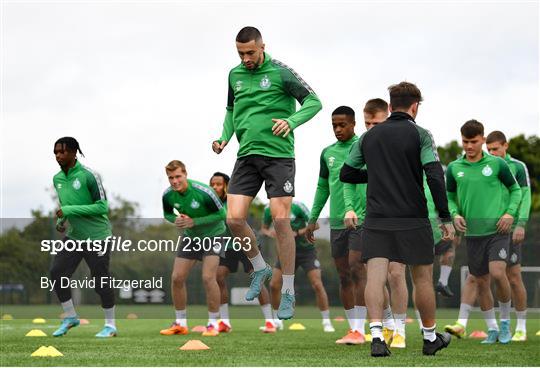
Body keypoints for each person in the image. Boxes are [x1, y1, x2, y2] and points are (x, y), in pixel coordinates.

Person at [212, 26, 322, 320]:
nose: (245, 58)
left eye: (250, 52)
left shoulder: (281, 72)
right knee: (234, 219)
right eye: (240, 53)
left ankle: (287, 290)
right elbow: (230, 111)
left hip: (278, 157)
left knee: (280, 219)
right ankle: (259, 266)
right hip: (246, 155)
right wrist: (224, 137)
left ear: (262, 46)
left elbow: (314, 102)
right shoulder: (234, 75)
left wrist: (292, 120)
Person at [340, 82, 454, 357]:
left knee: (375, 278)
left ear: (390, 106)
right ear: (415, 106)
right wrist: (445, 217)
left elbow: (347, 173)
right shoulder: (421, 135)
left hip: (378, 219)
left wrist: (376, 174)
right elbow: (435, 176)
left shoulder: (368, 137)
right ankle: (429, 338)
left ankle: (377, 337)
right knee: (423, 279)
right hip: (413, 218)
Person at [445, 130, 531, 342]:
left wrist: (514, 217)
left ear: (481, 140)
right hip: (473, 234)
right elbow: (449, 197)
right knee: (481, 281)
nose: (469, 146)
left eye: (474, 141)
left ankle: (509, 324)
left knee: (502, 273)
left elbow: (519, 192)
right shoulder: (455, 168)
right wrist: (454, 216)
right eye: (465, 141)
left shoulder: (501, 165)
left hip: (500, 230)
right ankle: (492, 328)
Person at [51, 137, 117, 338]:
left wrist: (68, 209)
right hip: (74, 236)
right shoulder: (57, 179)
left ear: (74, 152)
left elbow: (102, 207)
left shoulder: (89, 175)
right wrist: (61, 222)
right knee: (57, 273)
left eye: (62, 152)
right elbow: (66, 207)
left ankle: (111, 325)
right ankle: (70, 317)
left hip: (98, 236)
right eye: (55, 152)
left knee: (100, 281)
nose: (58, 156)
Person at [160, 160, 227, 337]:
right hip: (190, 238)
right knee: (176, 278)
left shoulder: (204, 192)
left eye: (178, 176)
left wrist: (194, 221)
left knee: (208, 277)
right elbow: (167, 213)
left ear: (185, 174)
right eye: (171, 178)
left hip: (213, 235)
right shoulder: (168, 195)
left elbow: (222, 214)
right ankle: (180, 323)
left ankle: (213, 323)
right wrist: (176, 220)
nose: (174, 181)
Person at [210, 172, 276, 333]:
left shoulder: (235, 199)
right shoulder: (210, 203)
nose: (215, 187)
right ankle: (225, 322)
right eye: (212, 184)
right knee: (218, 276)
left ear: (226, 185)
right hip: (227, 247)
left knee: (257, 279)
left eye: (219, 184)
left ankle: (270, 322)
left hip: (246, 243)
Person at [262, 201, 334, 332]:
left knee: (317, 284)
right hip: (286, 252)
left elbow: (315, 225)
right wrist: (270, 232)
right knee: (274, 285)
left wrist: (297, 233)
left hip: (306, 251)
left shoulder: (299, 207)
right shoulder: (268, 210)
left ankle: (326, 321)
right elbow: (264, 228)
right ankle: (277, 321)